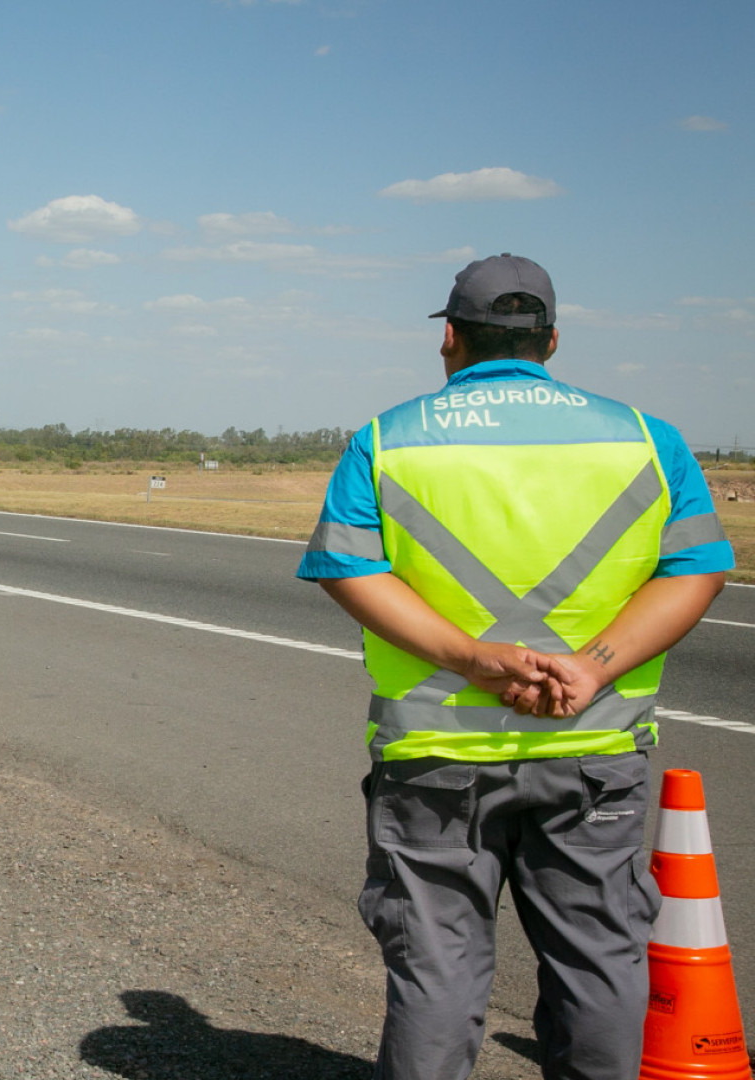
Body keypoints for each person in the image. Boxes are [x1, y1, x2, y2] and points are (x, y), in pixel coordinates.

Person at [296, 254, 732, 1080]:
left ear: (450, 337)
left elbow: (348, 570)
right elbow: (698, 566)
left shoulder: (388, 439)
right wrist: (594, 667)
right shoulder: (647, 438)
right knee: (600, 965)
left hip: (437, 759)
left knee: (437, 975)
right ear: (554, 339)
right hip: (593, 748)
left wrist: (472, 658)